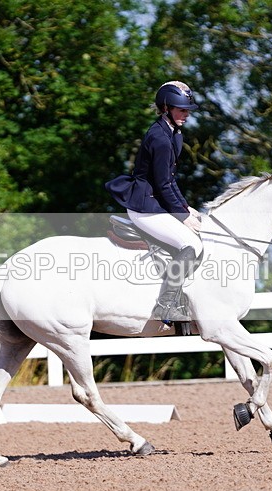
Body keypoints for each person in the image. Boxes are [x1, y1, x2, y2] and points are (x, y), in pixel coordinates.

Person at [105, 81, 203, 323]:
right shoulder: (159, 138)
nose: (186, 114)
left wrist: (185, 207)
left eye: (188, 110)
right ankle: (166, 306)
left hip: (156, 202)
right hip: (145, 207)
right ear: (167, 107)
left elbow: (169, 180)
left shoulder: (173, 133)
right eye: (182, 109)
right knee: (191, 246)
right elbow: (163, 185)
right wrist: (183, 215)